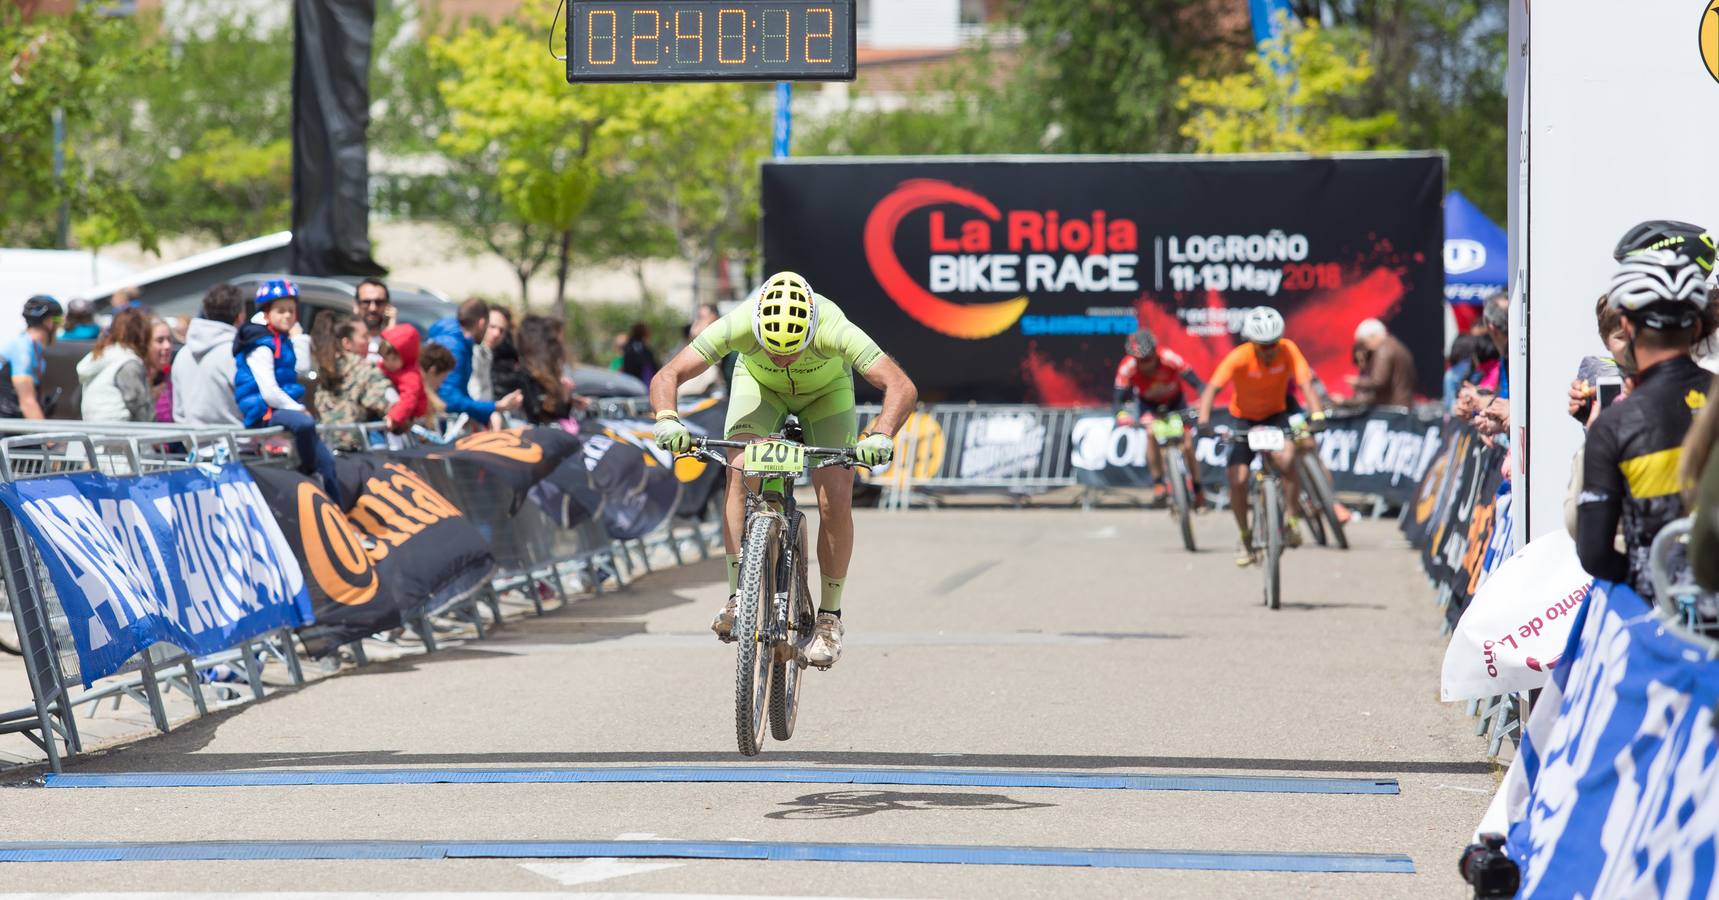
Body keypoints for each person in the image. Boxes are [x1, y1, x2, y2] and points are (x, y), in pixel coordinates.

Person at [649, 272, 919, 668]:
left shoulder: (834, 327)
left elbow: (901, 386)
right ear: (757, 329)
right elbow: (668, 374)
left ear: (811, 332)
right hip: (759, 389)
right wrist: (668, 419)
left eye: (792, 351)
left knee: (836, 496)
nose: (782, 358)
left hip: (827, 396)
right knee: (739, 470)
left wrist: (880, 434)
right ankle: (737, 596)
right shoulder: (738, 323)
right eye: (773, 349)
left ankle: (829, 618)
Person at [1576, 248, 1712, 602]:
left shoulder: (1613, 424)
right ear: (1695, 327)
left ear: (1627, 326)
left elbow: (1593, 553)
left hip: (1662, 618)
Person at [1197, 307, 1326, 566]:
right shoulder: (1239, 357)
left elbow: (1305, 384)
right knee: (1238, 479)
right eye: (1263, 345)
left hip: (1275, 415)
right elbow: (1211, 389)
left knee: (1288, 461)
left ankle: (1291, 521)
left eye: (1273, 344)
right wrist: (1203, 422)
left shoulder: (1289, 349)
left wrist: (1318, 415)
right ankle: (1245, 536)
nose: (1269, 350)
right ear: (1252, 342)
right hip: (1243, 418)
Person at [233, 279, 343, 507]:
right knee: (303, 424)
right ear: (266, 312)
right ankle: (308, 470)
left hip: (282, 408)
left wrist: (299, 338)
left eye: (291, 311)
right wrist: (299, 409)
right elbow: (269, 392)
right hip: (263, 411)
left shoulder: (282, 339)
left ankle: (341, 516)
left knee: (329, 464)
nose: (287, 316)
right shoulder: (260, 344)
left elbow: (301, 369)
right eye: (281, 311)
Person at [1112, 328, 1206, 507]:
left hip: (1175, 402)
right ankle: (1158, 482)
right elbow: (1117, 400)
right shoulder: (1127, 367)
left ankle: (1198, 488)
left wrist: (1202, 401)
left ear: (1155, 352)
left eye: (1147, 359)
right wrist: (1121, 415)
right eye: (1139, 361)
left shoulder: (1170, 358)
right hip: (1149, 405)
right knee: (1149, 434)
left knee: (1187, 444)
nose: (1144, 365)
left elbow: (1199, 384)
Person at [427, 297, 521, 428]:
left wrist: (482, 414)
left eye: (501, 330)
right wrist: (496, 406)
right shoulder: (453, 346)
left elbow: (460, 393)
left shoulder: (463, 344)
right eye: (491, 326)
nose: (495, 333)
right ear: (482, 323)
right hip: (441, 423)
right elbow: (448, 398)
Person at [310, 313, 392, 449]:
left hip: (326, 449)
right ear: (347, 343)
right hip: (358, 453)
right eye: (364, 337)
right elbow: (389, 404)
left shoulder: (326, 367)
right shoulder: (365, 370)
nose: (369, 341)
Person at [172, 283, 247, 427]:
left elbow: (179, 412)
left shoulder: (183, 354)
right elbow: (252, 405)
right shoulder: (237, 354)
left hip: (195, 445)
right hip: (239, 445)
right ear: (240, 316)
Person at [77, 308, 153, 422]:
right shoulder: (128, 362)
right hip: (119, 434)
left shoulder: (101, 356)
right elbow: (142, 410)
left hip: (94, 433)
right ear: (142, 335)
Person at [0, 296, 62, 419]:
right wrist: (49, 438)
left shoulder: (32, 347)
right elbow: (27, 403)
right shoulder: (23, 348)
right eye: (59, 320)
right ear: (49, 322)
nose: (60, 326)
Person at [509, 314, 578, 425]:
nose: (561, 348)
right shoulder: (524, 374)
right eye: (556, 342)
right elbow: (538, 414)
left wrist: (566, 397)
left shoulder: (548, 374)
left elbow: (557, 415)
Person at [1347, 318, 1417, 408]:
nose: (1366, 347)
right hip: (1403, 403)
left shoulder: (1384, 350)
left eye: (1364, 342)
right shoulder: (1396, 345)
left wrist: (1357, 382)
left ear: (1372, 336)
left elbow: (1378, 381)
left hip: (1393, 406)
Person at [378, 323, 428, 434]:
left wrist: (394, 417)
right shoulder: (386, 367)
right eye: (386, 358)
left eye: (394, 359)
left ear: (406, 356)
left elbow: (409, 398)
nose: (389, 363)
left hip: (411, 416)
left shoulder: (410, 375)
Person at [677, 303, 726, 399]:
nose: (695, 323)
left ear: (713, 319)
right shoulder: (687, 347)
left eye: (701, 317)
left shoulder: (723, 348)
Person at [353, 278, 392, 362]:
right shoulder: (344, 341)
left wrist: (392, 326)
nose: (373, 308)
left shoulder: (396, 340)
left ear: (388, 305)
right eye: (366, 302)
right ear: (356, 305)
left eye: (379, 302)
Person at [148, 318, 174, 422]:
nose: (167, 346)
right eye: (160, 340)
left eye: (169, 339)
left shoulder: (173, 374)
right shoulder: (135, 378)